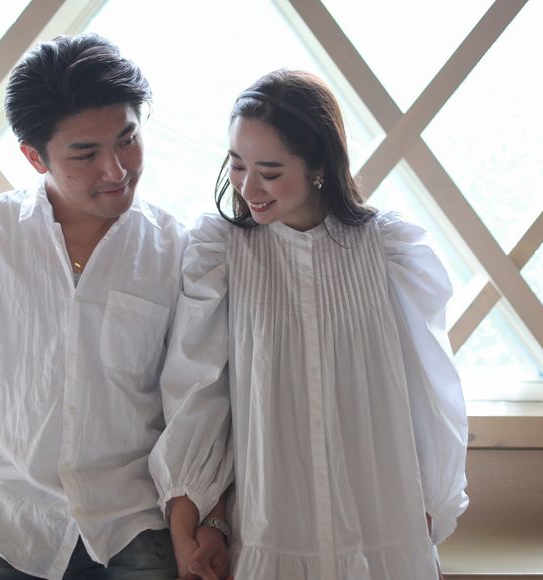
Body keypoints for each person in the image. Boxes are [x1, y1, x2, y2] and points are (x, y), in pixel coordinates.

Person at [150, 69, 469, 579]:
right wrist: (203, 516)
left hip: (384, 524)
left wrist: (433, 500)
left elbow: (431, 390)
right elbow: (199, 394)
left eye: (270, 171)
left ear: (319, 164)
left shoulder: (391, 252)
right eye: (237, 165)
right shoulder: (220, 253)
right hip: (271, 525)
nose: (247, 187)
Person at [0, 33, 229, 580]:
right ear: (33, 156)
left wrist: (201, 521)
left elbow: (192, 401)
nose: (116, 170)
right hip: (10, 518)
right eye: (85, 154)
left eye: (127, 140)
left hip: (133, 521)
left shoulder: (177, 250)